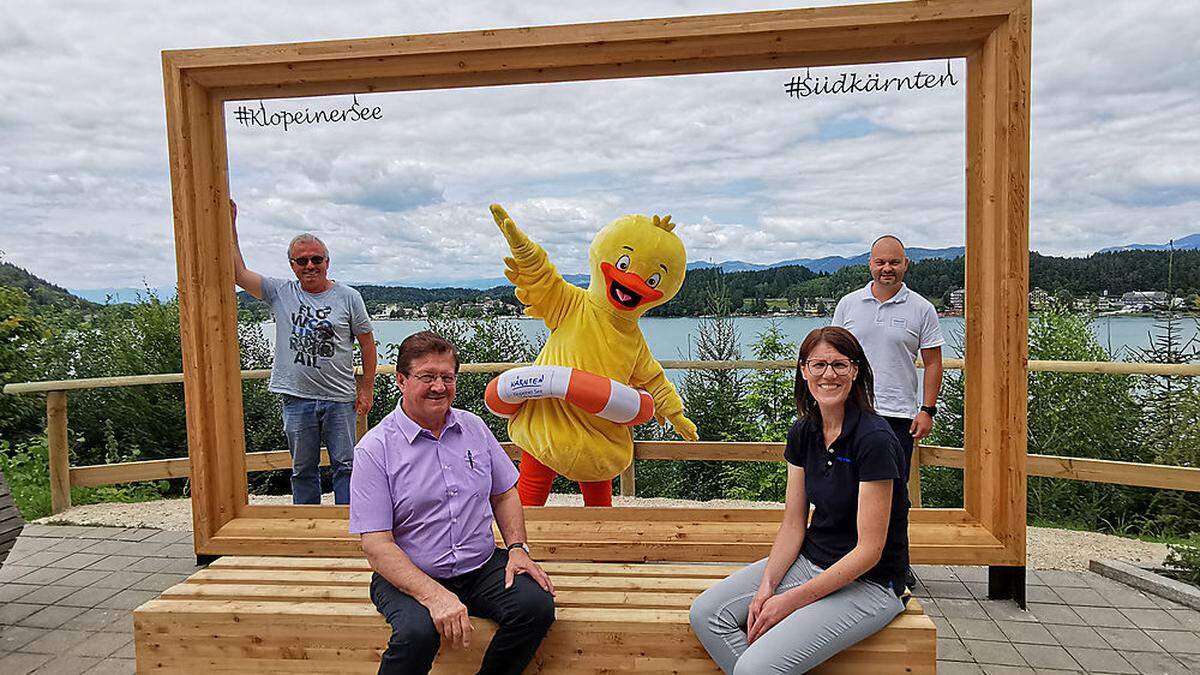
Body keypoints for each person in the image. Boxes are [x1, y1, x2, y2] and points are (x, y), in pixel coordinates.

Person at [689, 326, 909, 674]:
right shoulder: (804, 432)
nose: (828, 375)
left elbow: (870, 551)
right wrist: (767, 587)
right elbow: (794, 523)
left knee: (755, 669)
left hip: (871, 583)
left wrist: (787, 602)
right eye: (818, 364)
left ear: (855, 370)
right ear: (804, 370)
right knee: (707, 614)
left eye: (839, 365)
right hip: (811, 560)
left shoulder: (875, 439)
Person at [350, 331, 556, 675]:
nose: (439, 386)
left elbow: (504, 493)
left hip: (479, 566)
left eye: (447, 377)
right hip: (411, 573)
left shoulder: (474, 427)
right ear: (401, 380)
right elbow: (376, 544)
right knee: (417, 633)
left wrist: (518, 548)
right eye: (427, 376)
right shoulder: (375, 449)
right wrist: (434, 595)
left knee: (535, 607)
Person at [230, 200, 377, 504]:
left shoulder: (349, 297)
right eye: (302, 261)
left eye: (316, 259)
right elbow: (239, 274)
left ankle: (348, 526)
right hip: (296, 397)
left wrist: (367, 389)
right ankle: (308, 522)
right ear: (292, 265)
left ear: (327, 261)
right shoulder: (281, 292)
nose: (310, 265)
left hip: (340, 398)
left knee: (347, 467)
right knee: (302, 469)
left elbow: (367, 344)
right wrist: (230, 225)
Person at [831, 235, 944, 479]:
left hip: (899, 414)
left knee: (894, 488)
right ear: (870, 264)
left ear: (906, 264)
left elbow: (934, 363)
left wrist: (927, 410)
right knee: (845, 485)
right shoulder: (848, 304)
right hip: (851, 408)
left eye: (894, 262)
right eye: (880, 262)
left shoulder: (922, 308)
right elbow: (833, 356)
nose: (887, 269)